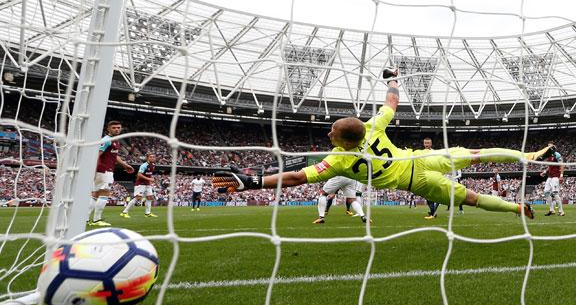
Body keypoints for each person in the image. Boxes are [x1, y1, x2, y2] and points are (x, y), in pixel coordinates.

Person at [213, 68, 554, 219]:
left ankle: (516, 207)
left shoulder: (338, 161)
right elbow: (392, 103)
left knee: (472, 198)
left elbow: (296, 178)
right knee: (476, 159)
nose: (329, 134)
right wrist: (391, 80)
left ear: (343, 141)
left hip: (415, 179)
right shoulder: (371, 127)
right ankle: (526, 157)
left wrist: (256, 182)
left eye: (332, 133)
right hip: (420, 160)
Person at [88, 121, 134, 227]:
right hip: (104, 170)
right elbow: (97, 154)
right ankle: (97, 220)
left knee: (95, 195)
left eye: (118, 128)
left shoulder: (114, 140)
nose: (117, 129)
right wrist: (92, 169)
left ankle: (86, 219)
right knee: (104, 193)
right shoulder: (107, 140)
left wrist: (124, 165)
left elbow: (114, 156)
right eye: (114, 128)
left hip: (103, 170)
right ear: (108, 129)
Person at [120, 153, 158, 219]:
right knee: (138, 198)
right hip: (140, 184)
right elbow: (139, 175)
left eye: (153, 157)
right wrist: (149, 179)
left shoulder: (153, 165)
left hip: (147, 184)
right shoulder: (144, 165)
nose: (152, 158)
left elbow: (148, 174)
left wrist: (150, 181)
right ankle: (124, 212)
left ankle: (147, 213)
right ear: (147, 158)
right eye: (151, 157)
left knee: (150, 197)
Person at [541, 142, 565, 216]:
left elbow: (561, 165)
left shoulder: (557, 155)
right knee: (546, 192)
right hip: (550, 177)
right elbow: (550, 167)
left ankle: (561, 211)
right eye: (547, 146)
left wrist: (561, 175)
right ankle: (552, 210)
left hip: (555, 177)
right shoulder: (549, 156)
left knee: (555, 193)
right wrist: (544, 172)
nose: (548, 147)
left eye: (550, 146)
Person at [422, 137, 440, 220]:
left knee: (431, 196)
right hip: (425, 176)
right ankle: (433, 212)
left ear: (431, 144)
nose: (426, 145)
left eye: (428, 143)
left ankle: (432, 214)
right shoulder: (421, 153)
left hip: (433, 176)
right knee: (428, 197)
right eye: (425, 143)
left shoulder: (434, 153)